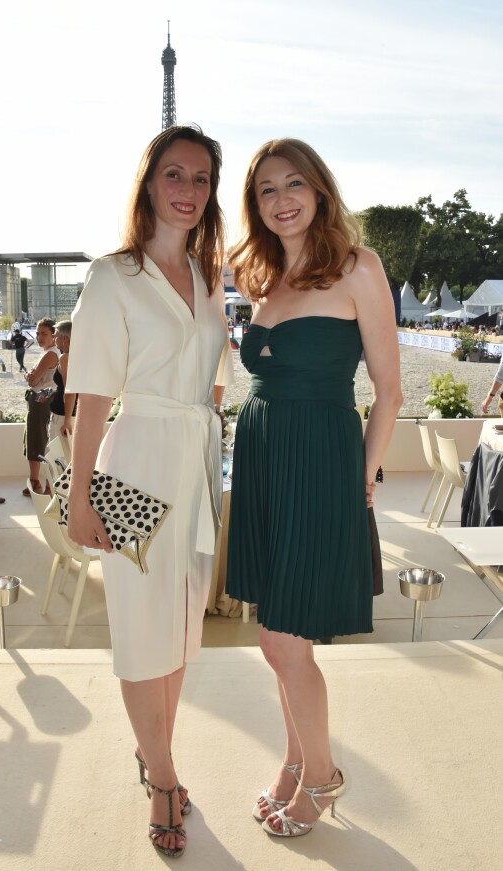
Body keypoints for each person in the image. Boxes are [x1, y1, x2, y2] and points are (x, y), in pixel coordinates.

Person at [226, 139, 402, 840]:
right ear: (256, 205)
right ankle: (296, 760)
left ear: (319, 189)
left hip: (320, 459)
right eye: (266, 190)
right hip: (267, 455)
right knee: (280, 633)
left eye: (293, 183)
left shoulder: (360, 267)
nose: (281, 199)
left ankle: (323, 775)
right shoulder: (262, 276)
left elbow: (389, 393)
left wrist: (360, 474)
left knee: (281, 639)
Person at [65, 125, 232, 859]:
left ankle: (153, 754)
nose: (188, 190)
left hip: (195, 471)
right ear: (149, 183)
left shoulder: (207, 277)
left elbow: (221, 377)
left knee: (181, 628)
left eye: (201, 178)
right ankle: (163, 776)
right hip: (133, 468)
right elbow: (92, 396)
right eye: (175, 174)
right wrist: (80, 494)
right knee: (141, 628)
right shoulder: (113, 276)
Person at [22, 317, 60, 496]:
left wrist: (30, 375)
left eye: (44, 333)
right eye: (37, 333)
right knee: (42, 440)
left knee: (36, 441)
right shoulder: (53, 352)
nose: (39, 337)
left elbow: (33, 381)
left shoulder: (50, 354)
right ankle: (43, 483)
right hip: (46, 399)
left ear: (54, 335)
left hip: (40, 400)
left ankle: (38, 483)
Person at [48, 320, 76, 457]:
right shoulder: (79, 357)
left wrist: (66, 421)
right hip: (73, 414)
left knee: (59, 458)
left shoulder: (65, 358)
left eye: (56, 335)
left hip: (63, 415)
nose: (53, 336)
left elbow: (70, 391)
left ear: (65, 339)